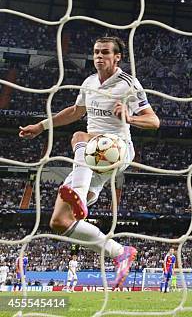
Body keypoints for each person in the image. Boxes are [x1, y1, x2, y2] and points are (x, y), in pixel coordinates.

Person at [19, 36, 160, 288]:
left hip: (119, 149)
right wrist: (41, 126)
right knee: (59, 221)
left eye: (105, 52)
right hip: (90, 157)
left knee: (79, 136)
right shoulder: (89, 82)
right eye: (96, 51)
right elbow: (75, 111)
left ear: (117, 57)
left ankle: (81, 195)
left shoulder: (128, 83)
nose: (99, 56)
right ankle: (120, 253)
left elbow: (153, 121)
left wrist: (129, 118)